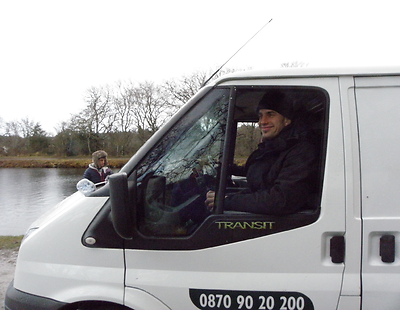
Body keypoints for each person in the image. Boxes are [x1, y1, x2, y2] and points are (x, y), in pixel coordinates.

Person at [205, 90, 318, 215]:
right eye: (260, 116)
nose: (262, 122)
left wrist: (227, 201)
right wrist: (226, 195)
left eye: (270, 114)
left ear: (286, 120)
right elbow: (260, 187)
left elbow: (280, 200)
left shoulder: (301, 151)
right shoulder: (274, 148)